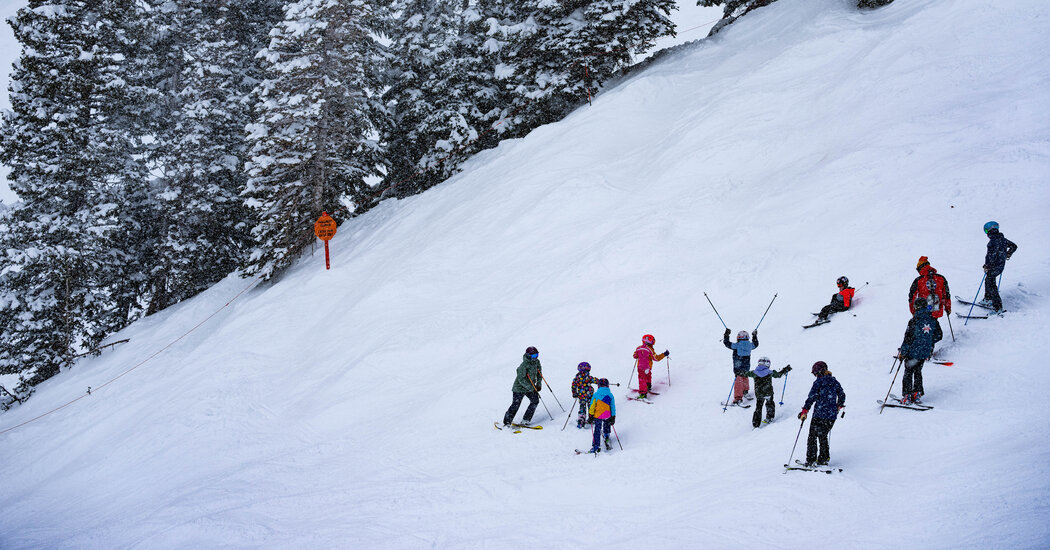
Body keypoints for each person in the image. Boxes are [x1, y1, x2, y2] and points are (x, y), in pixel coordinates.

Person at [798, 361, 845, 467]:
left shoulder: (818, 382)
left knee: (812, 436)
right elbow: (842, 395)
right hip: (831, 416)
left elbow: (811, 397)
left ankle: (811, 460)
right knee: (823, 436)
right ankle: (824, 459)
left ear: (819, 372)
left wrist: (805, 410)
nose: (815, 376)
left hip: (819, 414)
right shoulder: (834, 381)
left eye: (815, 373)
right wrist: (839, 405)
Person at [898, 298, 942, 404]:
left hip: (913, 351)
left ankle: (907, 395)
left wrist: (903, 352)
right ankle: (917, 393)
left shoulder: (914, 320)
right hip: (925, 351)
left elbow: (908, 338)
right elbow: (939, 335)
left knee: (908, 372)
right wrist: (928, 342)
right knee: (918, 371)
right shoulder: (932, 319)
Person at [981, 221, 1018, 312]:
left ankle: (998, 308)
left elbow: (991, 256)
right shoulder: (1003, 239)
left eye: (986, 231)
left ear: (990, 230)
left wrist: (987, 266)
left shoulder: (993, 242)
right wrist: (1008, 254)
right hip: (1000, 266)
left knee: (991, 284)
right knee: (989, 280)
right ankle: (988, 299)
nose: (986, 233)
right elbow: (1014, 246)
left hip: (994, 266)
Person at [502, 346, 543, 427]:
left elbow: (539, 374)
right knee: (516, 405)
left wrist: (538, 384)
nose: (535, 357)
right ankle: (507, 422)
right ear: (528, 355)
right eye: (533, 356)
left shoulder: (537, 362)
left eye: (537, 355)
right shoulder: (524, 365)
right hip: (519, 388)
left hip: (530, 387)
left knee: (535, 401)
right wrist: (532, 388)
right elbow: (521, 379)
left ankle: (526, 420)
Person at [745, 357, 791, 428]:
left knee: (758, 407)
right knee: (770, 404)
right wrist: (785, 370)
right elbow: (778, 375)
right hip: (768, 392)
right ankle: (770, 417)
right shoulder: (770, 372)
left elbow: (745, 374)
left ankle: (756, 422)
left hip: (759, 393)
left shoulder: (754, 372)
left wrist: (739, 372)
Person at [723, 328, 758, 404]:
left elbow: (727, 343)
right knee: (745, 376)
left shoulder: (737, 345)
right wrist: (754, 336)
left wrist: (726, 334)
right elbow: (755, 344)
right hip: (746, 366)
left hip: (738, 366)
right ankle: (745, 391)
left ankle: (738, 398)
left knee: (739, 379)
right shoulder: (749, 345)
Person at [632, 334, 668, 399]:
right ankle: (645, 391)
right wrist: (664, 354)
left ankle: (644, 391)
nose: (653, 343)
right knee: (647, 375)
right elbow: (656, 358)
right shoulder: (650, 349)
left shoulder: (638, 348)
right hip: (647, 367)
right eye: (652, 341)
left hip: (641, 367)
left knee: (642, 379)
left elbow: (635, 355)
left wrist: (638, 355)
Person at [587, 378, 616, 453]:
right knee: (607, 424)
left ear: (599, 386)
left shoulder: (596, 395)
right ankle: (607, 436)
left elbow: (592, 406)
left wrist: (591, 415)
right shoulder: (610, 395)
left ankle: (596, 446)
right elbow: (612, 406)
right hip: (607, 415)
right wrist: (613, 416)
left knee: (597, 430)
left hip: (598, 415)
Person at [570, 362, 601, 429]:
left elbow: (573, 386)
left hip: (582, 397)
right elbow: (595, 380)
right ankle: (592, 418)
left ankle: (581, 420)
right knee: (591, 407)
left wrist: (574, 393)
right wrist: (601, 382)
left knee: (582, 408)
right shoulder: (588, 378)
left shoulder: (577, 378)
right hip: (590, 396)